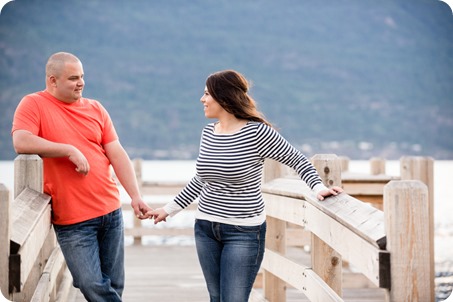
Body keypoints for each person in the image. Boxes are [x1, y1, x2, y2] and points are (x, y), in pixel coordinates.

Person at [150, 69, 343, 301]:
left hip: (243, 232)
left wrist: (318, 188)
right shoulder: (208, 133)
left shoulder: (257, 133)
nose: (202, 100)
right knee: (216, 298)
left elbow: (297, 160)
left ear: (223, 97)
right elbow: (201, 179)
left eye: (206, 94)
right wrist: (168, 209)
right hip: (206, 227)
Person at [11, 52, 152, 302]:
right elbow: (21, 140)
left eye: (82, 76)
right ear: (52, 81)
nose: (81, 83)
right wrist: (68, 149)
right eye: (73, 78)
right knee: (92, 285)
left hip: (110, 211)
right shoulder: (33, 104)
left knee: (114, 286)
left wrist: (135, 196)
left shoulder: (96, 108)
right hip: (73, 220)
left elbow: (117, 153)